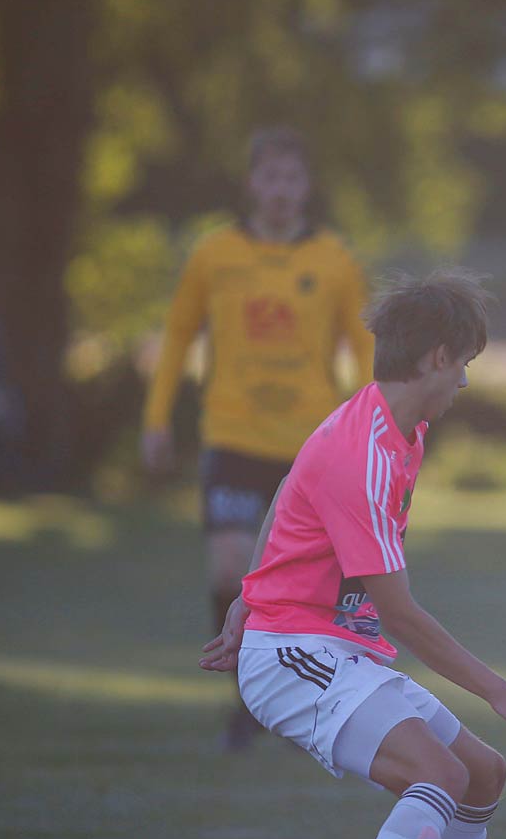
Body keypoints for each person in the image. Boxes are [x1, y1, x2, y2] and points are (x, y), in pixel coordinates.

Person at [199, 269, 506, 839]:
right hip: (290, 655)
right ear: (437, 357)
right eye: (464, 361)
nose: (466, 381)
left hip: (337, 648)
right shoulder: (361, 452)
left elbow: (286, 491)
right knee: (435, 776)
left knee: (483, 774)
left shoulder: (397, 430)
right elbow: (398, 613)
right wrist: (502, 691)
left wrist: (247, 586)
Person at [143, 126, 376, 749]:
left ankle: (312, 701)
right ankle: (248, 700)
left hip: (310, 446)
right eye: (269, 176)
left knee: (314, 587)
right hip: (232, 436)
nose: (280, 190)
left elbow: (365, 350)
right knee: (229, 569)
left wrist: (374, 431)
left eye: (292, 178)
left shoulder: (334, 260)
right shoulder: (214, 254)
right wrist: (157, 418)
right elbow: (176, 337)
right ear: (252, 183)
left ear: (307, 187)